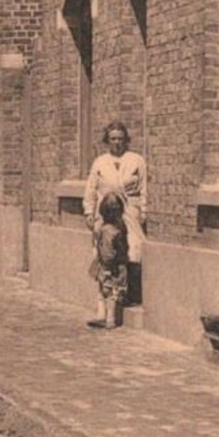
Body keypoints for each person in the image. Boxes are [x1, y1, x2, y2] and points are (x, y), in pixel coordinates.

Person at [84, 122, 148, 306]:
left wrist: (143, 211)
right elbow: (91, 189)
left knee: (133, 249)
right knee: (107, 252)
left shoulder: (136, 160)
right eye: (113, 139)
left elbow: (144, 188)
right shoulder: (100, 162)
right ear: (107, 141)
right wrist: (89, 212)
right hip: (106, 213)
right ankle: (106, 299)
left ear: (125, 140)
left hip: (129, 210)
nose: (117, 142)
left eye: (120, 138)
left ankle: (130, 294)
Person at [87, 192, 130, 329]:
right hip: (118, 264)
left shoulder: (107, 231)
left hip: (110, 266)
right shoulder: (120, 228)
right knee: (111, 291)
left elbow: (107, 253)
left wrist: (106, 266)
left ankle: (109, 318)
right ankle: (107, 316)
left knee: (107, 291)